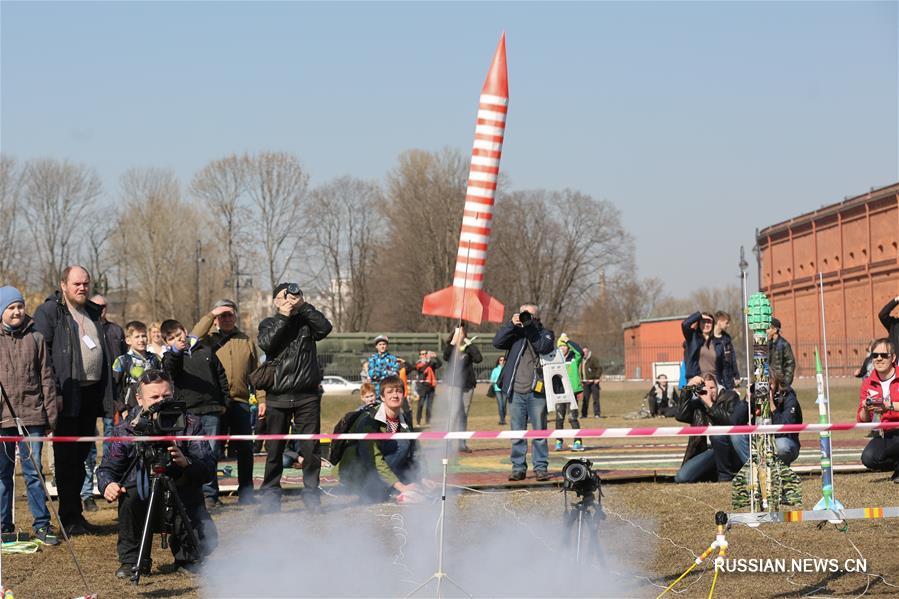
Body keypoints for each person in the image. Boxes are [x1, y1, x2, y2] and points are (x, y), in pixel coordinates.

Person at [97, 370, 217, 578]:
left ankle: (188, 558)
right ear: (139, 399)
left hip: (180, 493)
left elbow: (208, 469)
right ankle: (133, 562)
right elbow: (107, 468)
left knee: (188, 492)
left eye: (166, 396)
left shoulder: (191, 424)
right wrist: (107, 484)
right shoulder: (126, 430)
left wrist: (186, 462)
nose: (161, 402)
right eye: (154, 397)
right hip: (142, 495)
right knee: (129, 494)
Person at [32, 265, 115, 535]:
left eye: (86, 283)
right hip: (66, 396)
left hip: (91, 396)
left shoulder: (92, 312)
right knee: (66, 458)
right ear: (64, 285)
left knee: (82, 456)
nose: (82, 288)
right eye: (77, 284)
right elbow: (42, 358)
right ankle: (68, 517)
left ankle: (76, 514)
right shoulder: (49, 312)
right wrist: (53, 394)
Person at [256, 283, 333, 511]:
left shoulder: (307, 321)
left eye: (292, 296)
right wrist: (284, 316)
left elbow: (325, 328)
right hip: (277, 395)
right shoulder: (268, 323)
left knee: (311, 450)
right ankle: (270, 496)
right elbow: (266, 343)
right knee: (274, 450)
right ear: (275, 301)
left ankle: (311, 495)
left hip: (306, 395)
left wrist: (303, 305)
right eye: (284, 296)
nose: (289, 299)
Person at [82, 320, 161, 513]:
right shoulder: (122, 361)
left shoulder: (155, 360)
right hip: (129, 413)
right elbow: (113, 388)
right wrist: (122, 408)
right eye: (137, 336)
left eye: (144, 336)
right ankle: (124, 489)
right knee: (126, 451)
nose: (142, 340)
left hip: (153, 414)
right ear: (128, 340)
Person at [0, 286, 59, 545]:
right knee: (2, 474)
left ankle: (42, 524)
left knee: (34, 472)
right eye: (11, 308)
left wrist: (50, 418)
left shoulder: (36, 338)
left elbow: (47, 378)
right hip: (2, 418)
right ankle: (3, 526)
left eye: (19, 306)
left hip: (32, 417)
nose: (17, 312)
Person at [191, 299, 262, 504]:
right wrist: (212, 314)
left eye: (230, 314)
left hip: (240, 402)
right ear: (215, 319)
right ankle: (210, 495)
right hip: (215, 403)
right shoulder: (207, 339)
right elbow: (193, 335)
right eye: (223, 316)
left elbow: (256, 374)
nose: (227, 319)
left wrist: (262, 399)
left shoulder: (246, 340)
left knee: (245, 450)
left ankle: (247, 493)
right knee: (212, 449)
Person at [161, 319, 229, 509]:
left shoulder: (205, 350)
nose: (178, 339)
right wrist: (176, 351)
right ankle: (195, 493)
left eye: (179, 334)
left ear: (185, 330)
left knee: (212, 453)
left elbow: (221, 375)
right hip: (189, 412)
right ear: (167, 342)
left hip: (211, 409)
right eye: (171, 338)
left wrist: (224, 402)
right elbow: (169, 370)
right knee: (192, 453)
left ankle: (211, 494)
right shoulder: (170, 357)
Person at [337, 376, 431, 503]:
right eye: (390, 392)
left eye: (398, 391)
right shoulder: (368, 421)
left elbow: (416, 451)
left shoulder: (404, 420)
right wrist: (400, 486)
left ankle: (391, 487)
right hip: (359, 472)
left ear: (403, 395)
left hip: (382, 469)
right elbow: (374, 459)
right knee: (401, 444)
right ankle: (376, 489)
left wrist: (423, 477)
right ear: (382, 397)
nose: (395, 395)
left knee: (405, 446)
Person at [493, 303, 556, 482]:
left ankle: (541, 467)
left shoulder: (546, 333)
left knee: (539, 432)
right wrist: (510, 325)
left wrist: (530, 328)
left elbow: (543, 347)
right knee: (517, 433)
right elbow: (497, 342)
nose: (524, 317)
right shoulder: (515, 335)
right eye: (522, 314)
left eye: (528, 315)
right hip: (516, 390)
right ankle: (518, 468)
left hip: (537, 391)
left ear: (537, 317)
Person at [674, 374, 746, 483]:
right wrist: (687, 388)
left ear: (718, 388)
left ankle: (725, 476)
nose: (709, 391)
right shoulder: (698, 404)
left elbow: (731, 421)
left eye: (712, 388)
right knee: (681, 477)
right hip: (706, 452)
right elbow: (680, 415)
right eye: (705, 388)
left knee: (717, 437)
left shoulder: (730, 397)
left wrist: (710, 405)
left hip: (726, 450)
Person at [857, 338, 899, 483]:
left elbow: (890, 406)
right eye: (875, 355)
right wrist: (865, 408)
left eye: (884, 355)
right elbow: (863, 420)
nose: (879, 359)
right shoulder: (868, 383)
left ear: (893, 357)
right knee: (868, 457)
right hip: (887, 433)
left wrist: (889, 406)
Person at [442, 324, 482, 453]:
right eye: (458, 332)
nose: (460, 334)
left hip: (468, 384)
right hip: (453, 384)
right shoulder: (451, 346)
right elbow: (446, 356)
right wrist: (454, 340)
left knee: (463, 414)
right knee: (453, 413)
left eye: (462, 332)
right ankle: (447, 443)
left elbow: (478, 358)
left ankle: (461, 443)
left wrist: (467, 342)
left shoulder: (468, 347)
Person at [554, 334, 584, 452]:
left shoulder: (574, 358)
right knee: (559, 418)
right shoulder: (555, 360)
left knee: (572, 418)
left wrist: (568, 341)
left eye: (565, 346)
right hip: (559, 392)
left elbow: (580, 352)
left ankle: (577, 441)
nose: (563, 348)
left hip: (572, 392)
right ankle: (559, 441)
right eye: (560, 347)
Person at [769, 375, 802, 466]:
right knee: (737, 438)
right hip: (760, 440)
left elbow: (784, 429)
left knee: (781, 446)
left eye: (770, 384)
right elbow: (735, 422)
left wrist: (772, 406)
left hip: (785, 440)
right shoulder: (756, 396)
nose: (766, 389)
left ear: (776, 383)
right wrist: (747, 401)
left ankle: (780, 471)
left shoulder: (788, 397)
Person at [713, 311, 741, 391]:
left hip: (728, 378)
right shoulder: (709, 338)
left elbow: (732, 357)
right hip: (715, 377)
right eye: (726, 323)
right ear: (719, 322)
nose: (728, 325)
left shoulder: (726, 338)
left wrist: (736, 375)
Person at [767, 317, 796, 388]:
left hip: (780, 383)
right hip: (768, 382)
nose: (766, 330)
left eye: (768, 328)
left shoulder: (784, 344)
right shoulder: (766, 344)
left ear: (775, 330)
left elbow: (790, 364)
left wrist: (786, 383)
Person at [414, 350, 440, 426]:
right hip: (422, 387)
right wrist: (428, 360)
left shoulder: (431, 363)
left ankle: (428, 422)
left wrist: (436, 357)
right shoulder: (418, 363)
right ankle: (418, 422)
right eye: (422, 354)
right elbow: (422, 369)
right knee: (420, 405)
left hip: (431, 387)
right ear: (419, 356)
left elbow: (439, 364)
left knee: (429, 405)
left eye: (425, 354)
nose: (424, 355)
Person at [580, 347, 603, 418]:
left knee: (595, 398)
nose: (584, 353)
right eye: (583, 352)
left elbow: (599, 368)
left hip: (593, 383)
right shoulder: (581, 360)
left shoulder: (593, 359)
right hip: (585, 383)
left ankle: (597, 414)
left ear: (588, 352)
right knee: (585, 399)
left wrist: (597, 378)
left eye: (585, 352)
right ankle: (584, 414)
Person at [489, 356, 507, 425]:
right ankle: (502, 420)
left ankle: (503, 418)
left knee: (504, 405)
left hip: (505, 389)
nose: (502, 361)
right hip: (497, 389)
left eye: (503, 360)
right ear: (498, 361)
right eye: (500, 360)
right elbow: (491, 380)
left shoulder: (507, 369)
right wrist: (496, 382)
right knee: (500, 405)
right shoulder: (495, 370)